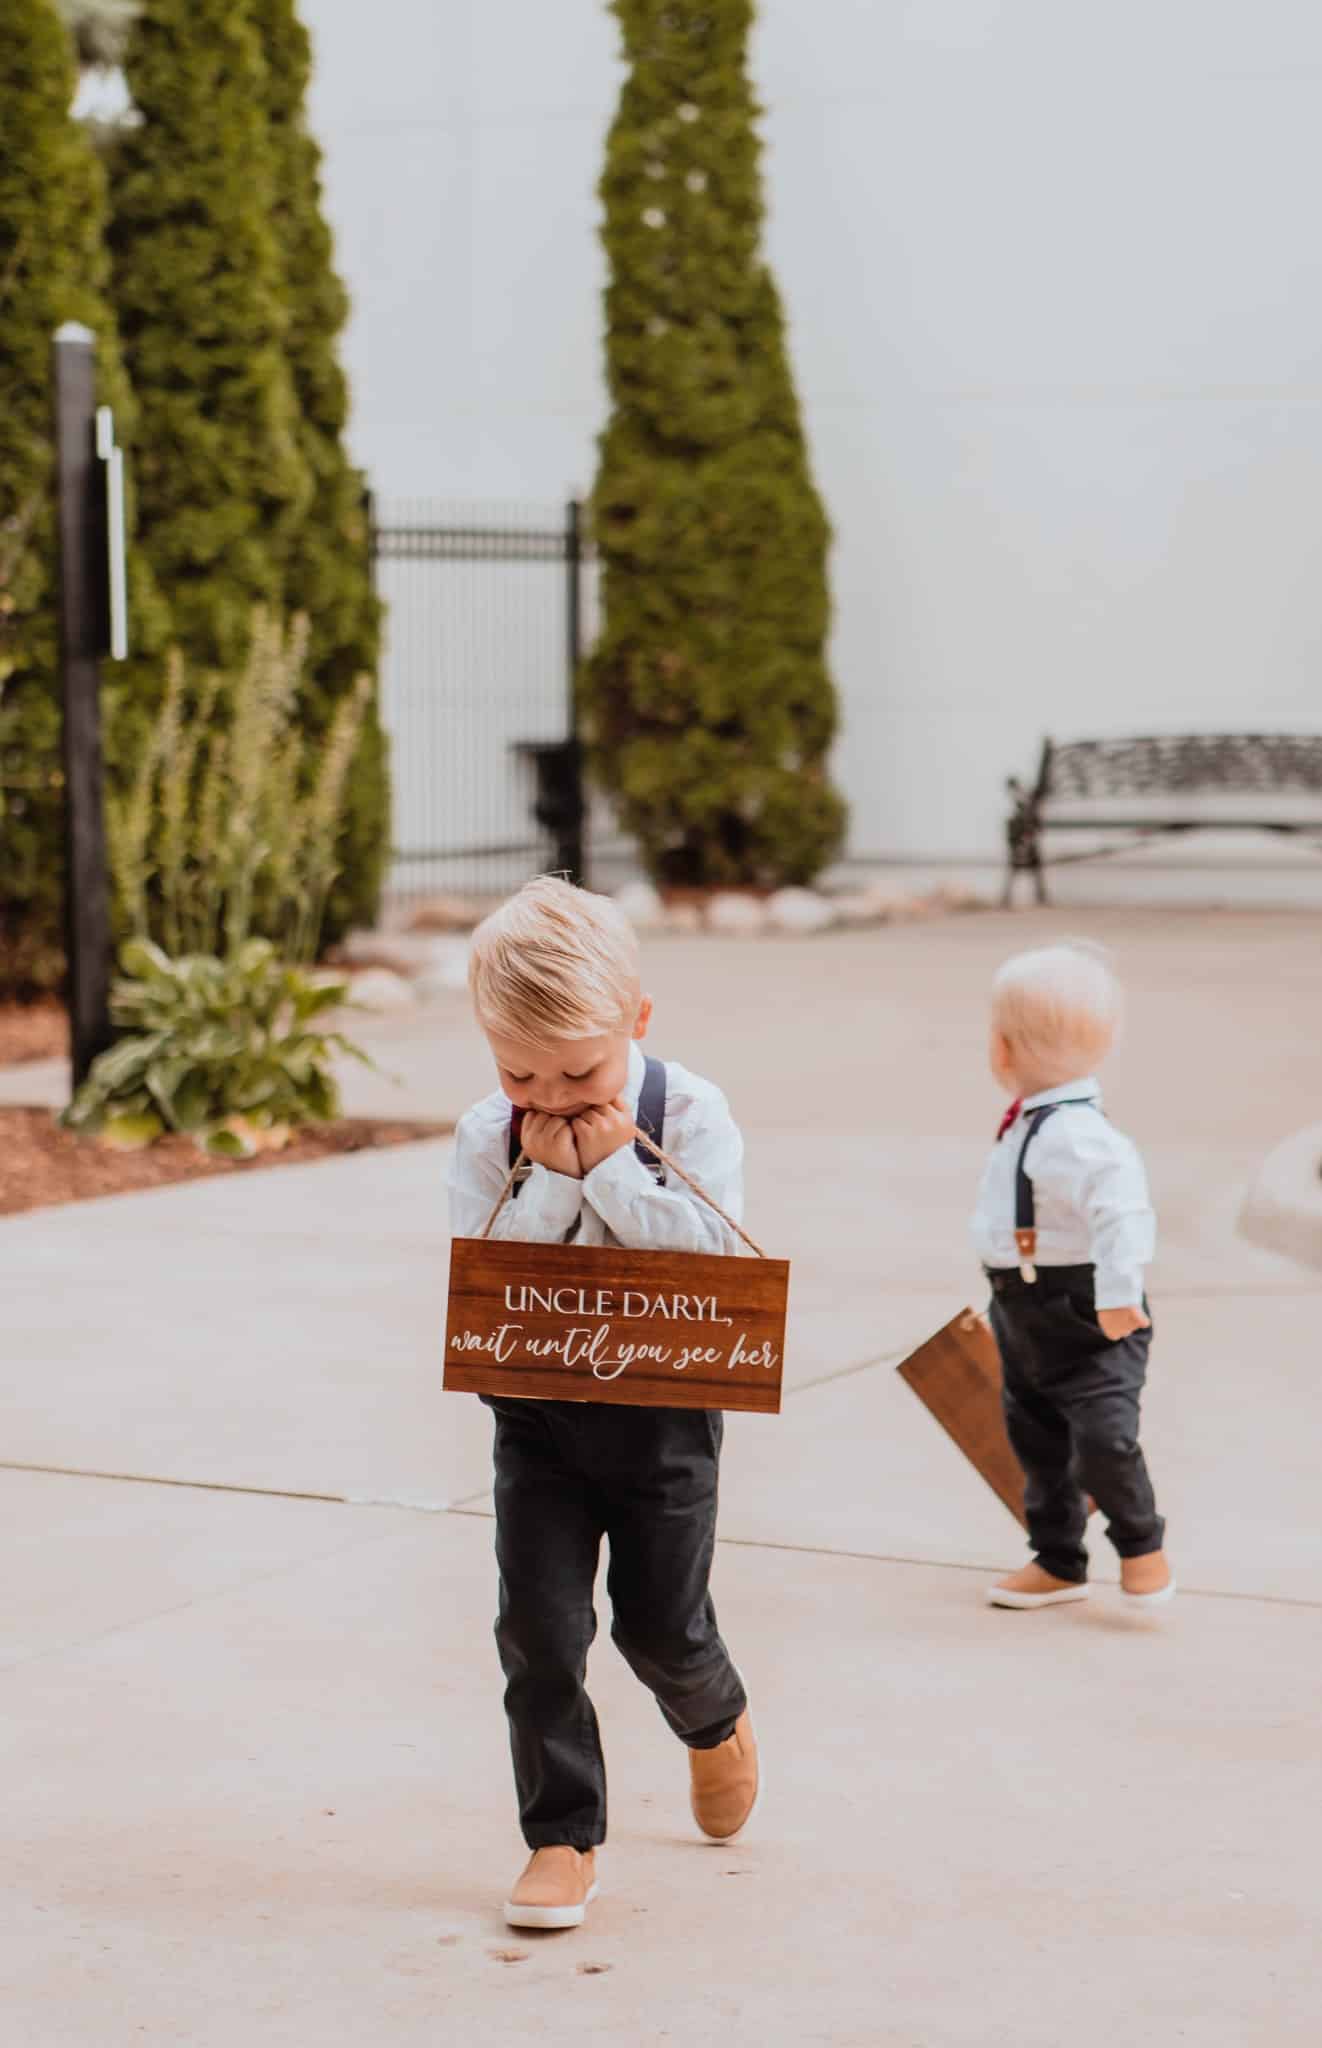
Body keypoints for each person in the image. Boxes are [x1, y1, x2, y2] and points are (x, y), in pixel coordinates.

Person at [448, 876, 758, 1931]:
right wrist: (542, 1181)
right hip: (535, 1416)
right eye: (516, 1069)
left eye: (577, 1068)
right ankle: (560, 1835)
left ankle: (711, 1713)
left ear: (636, 1020)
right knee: (537, 1626)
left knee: (659, 1624)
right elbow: (480, 1268)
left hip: (662, 1414)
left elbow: (714, 1261)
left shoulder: (692, 1113)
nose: (549, 1094)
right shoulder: (489, 1132)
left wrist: (613, 1168)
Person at [971, 940, 1175, 1611]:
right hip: (1025, 1311)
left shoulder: (1079, 1136)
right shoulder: (1036, 1122)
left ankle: (1142, 1544)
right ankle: (1058, 1559)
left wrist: (1118, 1297)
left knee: (1102, 1440)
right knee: (1037, 1441)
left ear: (1003, 1050)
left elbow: (1124, 1216)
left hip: (1086, 1314)